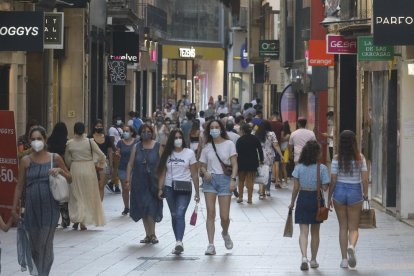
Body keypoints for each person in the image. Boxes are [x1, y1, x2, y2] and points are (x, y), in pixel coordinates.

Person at [12, 126, 72, 275]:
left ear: (45, 140)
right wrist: (14, 208)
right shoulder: (25, 161)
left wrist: (60, 171)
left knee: (45, 245)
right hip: (31, 209)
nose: (36, 141)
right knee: (35, 248)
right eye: (32, 139)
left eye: (39, 138)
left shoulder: (55, 158)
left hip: (50, 208)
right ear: (28, 141)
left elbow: (70, 178)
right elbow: (19, 186)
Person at [328, 130, 368, 269]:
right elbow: (364, 179)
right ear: (354, 142)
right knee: (353, 227)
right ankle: (351, 246)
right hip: (355, 192)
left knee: (342, 227)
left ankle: (344, 259)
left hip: (339, 191)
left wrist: (329, 198)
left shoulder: (336, 158)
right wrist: (366, 195)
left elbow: (333, 180)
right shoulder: (360, 158)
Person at [288, 141, 330, 271]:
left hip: (302, 198)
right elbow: (325, 187)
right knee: (315, 232)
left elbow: (295, 188)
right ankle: (313, 260)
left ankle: (304, 257)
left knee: (303, 232)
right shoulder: (321, 168)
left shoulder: (299, 167)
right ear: (317, 153)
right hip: (316, 200)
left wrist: (292, 202)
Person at [157, 129, 200, 254]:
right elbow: (163, 172)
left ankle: (179, 242)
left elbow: (195, 174)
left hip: (184, 187)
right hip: (169, 188)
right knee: (174, 215)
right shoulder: (167, 154)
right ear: (172, 140)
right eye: (175, 137)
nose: (178, 140)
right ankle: (177, 241)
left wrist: (197, 192)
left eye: (180, 137)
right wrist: (160, 189)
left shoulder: (189, 153)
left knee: (180, 214)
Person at [199, 119, 238, 255]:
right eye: (212, 127)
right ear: (209, 130)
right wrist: (205, 172)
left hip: (225, 180)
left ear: (221, 129)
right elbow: (202, 165)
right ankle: (211, 244)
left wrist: (233, 180)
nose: (214, 129)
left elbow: (234, 164)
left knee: (224, 216)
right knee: (210, 213)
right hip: (210, 181)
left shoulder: (229, 144)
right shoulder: (207, 146)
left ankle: (225, 233)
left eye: (217, 127)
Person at [126, 124, 163, 244]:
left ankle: (153, 234)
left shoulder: (158, 147)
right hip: (139, 182)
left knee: (151, 207)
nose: (146, 133)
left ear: (152, 133)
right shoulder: (136, 147)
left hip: (153, 183)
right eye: (143, 131)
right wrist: (128, 180)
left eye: (148, 131)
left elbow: (163, 166)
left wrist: (162, 183)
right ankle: (148, 234)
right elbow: (130, 164)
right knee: (143, 208)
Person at [65, 122, 106, 230]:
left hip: (75, 169)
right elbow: (102, 155)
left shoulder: (69, 143)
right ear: (84, 130)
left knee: (76, 195)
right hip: (89, 169)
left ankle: (78, 218)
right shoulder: (89, 142)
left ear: (74, 130)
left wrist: (72, 165)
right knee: (87, 195)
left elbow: (67, 160)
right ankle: (83, 221)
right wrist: (96, 163)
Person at [47, 122, 71, 228]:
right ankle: (65, 217)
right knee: (63, 192)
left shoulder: (50, 140)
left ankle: (54, 219)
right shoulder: (67, 142)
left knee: (54, 192)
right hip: (63, 168)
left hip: (52, 168)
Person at [236, 123, 264, 204]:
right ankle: (249, 199)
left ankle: (240, 197)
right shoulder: (255, 139)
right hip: (252, 162)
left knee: (241, 181)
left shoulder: (240, 140)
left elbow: (237, 151)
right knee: (250, 181)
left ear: (243, 130)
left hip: (241, 163)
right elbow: (260, 150)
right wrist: (261, 160)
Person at [255, 121, 283, 199]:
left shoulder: (256, 133)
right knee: (268, 172)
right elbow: (276, 145)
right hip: (269, 155)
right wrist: (281, 155)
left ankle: (261, 192)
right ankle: (267, 190)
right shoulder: (271, 134)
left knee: (261, 172)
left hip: (259, 155)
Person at [116, 125, 138, 216]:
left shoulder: (136, 142)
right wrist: (117, 154)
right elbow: (117, 152)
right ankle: (126, 207)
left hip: (134, 169)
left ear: (132, 132)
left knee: (132, 189)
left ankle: (134, 207)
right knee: (125, 189)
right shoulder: (120, 143)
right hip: (122, 168)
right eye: (124, 131)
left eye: (127, 131)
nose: (125, 133)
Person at [89, 119, 113, 201]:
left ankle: (100, 205)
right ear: (94, 127)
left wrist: (111, 164)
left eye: (100, 126)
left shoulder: (107, 138)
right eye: (97, 126)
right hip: (92, 164)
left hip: (104, 163)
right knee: (93, 185)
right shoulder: (89, 138)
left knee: (101, 185)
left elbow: (110, 151)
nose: (99, 127)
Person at [108, 117, 124, 193]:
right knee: (116, 169)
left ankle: (112, 183)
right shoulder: (112, 129)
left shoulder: (120, 129)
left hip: (120, 150)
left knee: (117, 169)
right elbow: (111, 141)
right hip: (115, 151)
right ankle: (115, 185)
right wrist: (115, 151)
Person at [280, 121, 291, 187]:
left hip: (285, 151)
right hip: (282, 151)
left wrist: (281, 133)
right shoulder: (288, 134)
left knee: (283, 167)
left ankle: (285, 181)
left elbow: (282, 140)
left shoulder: (288, 135)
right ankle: (281, 181)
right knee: (281, 167)